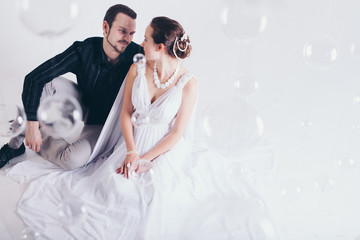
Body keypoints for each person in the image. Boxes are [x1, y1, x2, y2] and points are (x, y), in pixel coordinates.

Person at [6, 16, 270, 239]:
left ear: (160, 47)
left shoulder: (188, 84)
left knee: (147, 197)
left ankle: (43, 139)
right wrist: (131, 151)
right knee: (110, 187)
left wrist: (144, 158)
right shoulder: (135, 67)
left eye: (144, 38)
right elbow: (126, 113)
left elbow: (177, 132)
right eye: (137, 36)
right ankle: (33, 130)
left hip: (162, 148)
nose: (139, 43)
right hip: (129, 140)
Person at [0, 4, 143, 170]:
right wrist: (32, 123)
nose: (127, 38)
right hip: (82, 103)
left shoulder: (137, 55)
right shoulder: (84, 50)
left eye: (131, 33)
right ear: (105, 27)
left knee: (72, 161)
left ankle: (42, 137)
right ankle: (14, 145)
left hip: (106, 123)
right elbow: (34, 78)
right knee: (47, 84)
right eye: (122, 31)